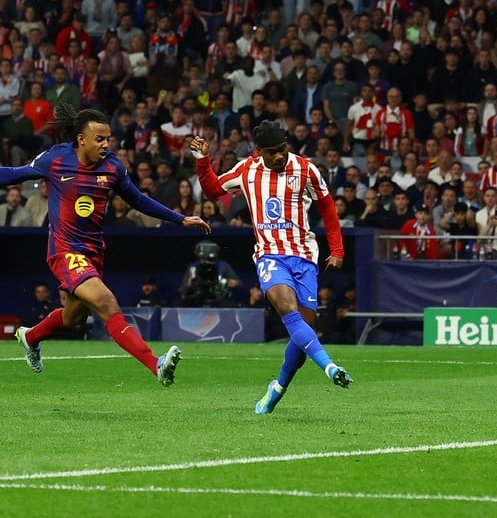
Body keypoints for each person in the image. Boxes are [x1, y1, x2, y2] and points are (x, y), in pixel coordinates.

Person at [0, 103, 211, 386]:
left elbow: (138, 199)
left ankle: (30, 336)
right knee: (107, 303)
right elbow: (13, 174)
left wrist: (179, 218)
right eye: (99, 139)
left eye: (108, 138)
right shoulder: (56, 159)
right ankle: (156, 364)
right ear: (81, 139)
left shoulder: (113, 166)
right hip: (65, 250)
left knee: (74, 319)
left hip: (93, 251)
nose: (106, 144)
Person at [190, 121, 351, 416]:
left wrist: (337, 250)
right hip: (269, 256)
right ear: (258, 151)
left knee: (304, 333)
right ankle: (329, 367)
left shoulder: (306, 169)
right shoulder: (246, 170)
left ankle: (276, 389)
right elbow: (212, 189)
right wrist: (203, 160)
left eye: (283, 150)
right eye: (272, 152)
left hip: (304, 257)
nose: (279, 156)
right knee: (290, 313)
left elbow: (327, 208)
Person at [177, 240, 242, 307]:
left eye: (209, 260)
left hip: (218, 299)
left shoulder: (223, 266)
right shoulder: (193, 267)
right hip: (198, 299)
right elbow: (182, 289)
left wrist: (228, 282)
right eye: (203, 259)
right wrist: (189, 285)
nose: (206, 263)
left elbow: (238, 283)